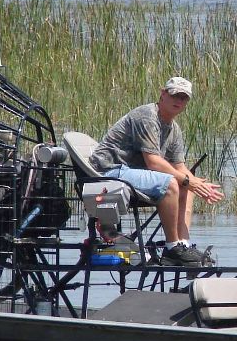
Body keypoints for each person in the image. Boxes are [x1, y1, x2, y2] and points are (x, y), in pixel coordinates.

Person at [89, 77, 224, 266]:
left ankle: (183, 245)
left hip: (129, 173)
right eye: (174, 95)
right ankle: (172, 248)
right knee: (171, 183)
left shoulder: (174, 129)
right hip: (109, 170)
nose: (178, 101)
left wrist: (198, 185)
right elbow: (153, 162)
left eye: (183, 98)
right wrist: (188, 180)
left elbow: (180, 168)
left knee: (187, 184)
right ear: (163, 94)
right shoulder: (147, 116)